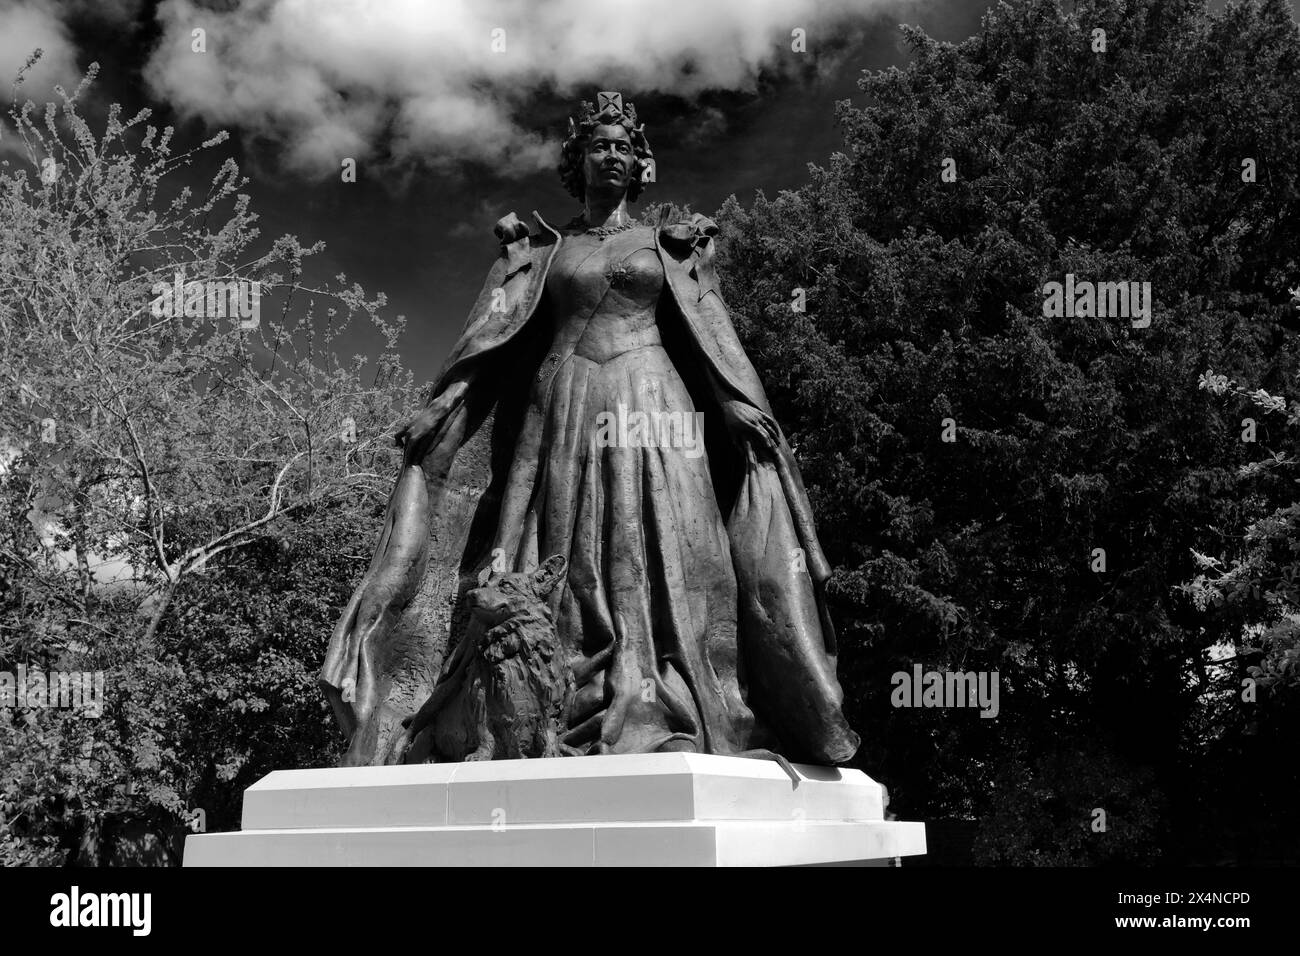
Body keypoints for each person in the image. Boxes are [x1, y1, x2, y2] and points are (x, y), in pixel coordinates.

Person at [321, 93, 859, 767]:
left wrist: (738, 405)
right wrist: (447, 404)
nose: (612, 155)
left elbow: (714, 337)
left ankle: (667, 690)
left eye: (623, 147)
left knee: (666, 548)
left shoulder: (671, 247)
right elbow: (492, 342)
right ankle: (554, 700)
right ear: (580, 161)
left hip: (653, 402)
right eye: (599, 145)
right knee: (566, 554)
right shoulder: (542, 253)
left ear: (641, 166)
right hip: (564, 406)